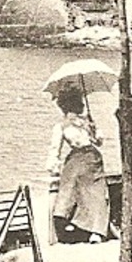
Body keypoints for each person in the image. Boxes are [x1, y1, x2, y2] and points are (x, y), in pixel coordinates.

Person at [46, 84, 111, 244]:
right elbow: (55, 149)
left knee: (96, 192)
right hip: (76, 158)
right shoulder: (61, 127)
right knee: (70, 183)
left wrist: (93, 130)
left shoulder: (87, 122)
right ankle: (68, 220)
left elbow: (99, 142)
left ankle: (96, 230)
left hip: (93, 158)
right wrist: (53, 167)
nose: (78, 107)